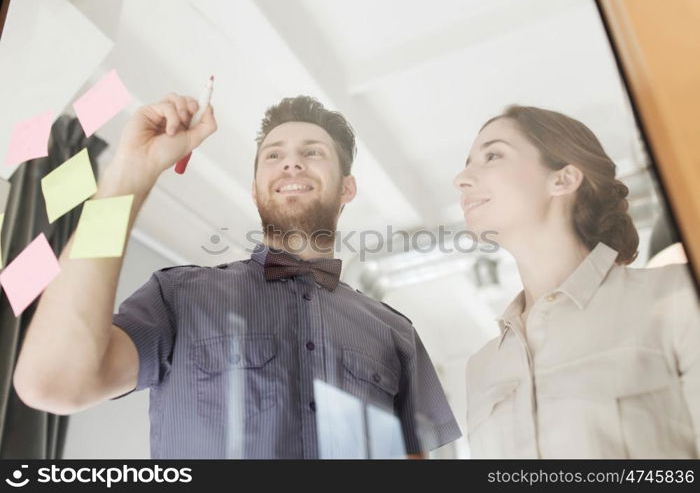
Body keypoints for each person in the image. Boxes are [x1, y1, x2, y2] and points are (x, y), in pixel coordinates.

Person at [14, 93, 461, 458]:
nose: (292, 163)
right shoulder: (177, 297)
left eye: (313, 153)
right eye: (274, 155)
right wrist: (131, 173)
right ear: (254, 189)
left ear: (347, 187)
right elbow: (53, 381)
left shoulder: (396, 332)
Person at [453, 105, 700, 458]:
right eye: (467, 162)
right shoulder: (482, 366)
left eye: (492, 155)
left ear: (563, 179)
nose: (460, 178)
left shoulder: (675, 295)